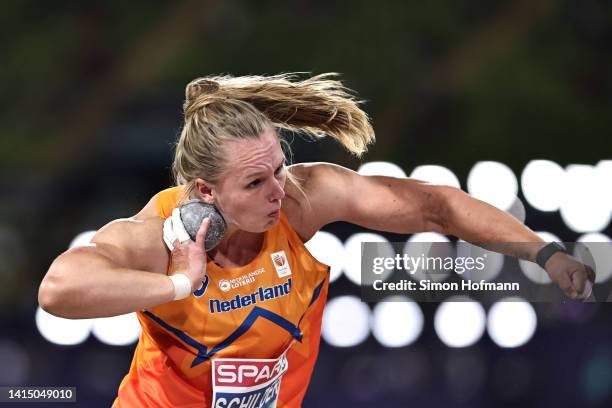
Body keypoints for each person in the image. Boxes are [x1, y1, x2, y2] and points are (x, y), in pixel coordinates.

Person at [38, 73, 594, 407]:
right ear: (205, 190)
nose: (278, 191)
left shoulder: (303, 202)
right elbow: (57, 291)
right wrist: (181, 281)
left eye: (280, 168)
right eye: (255, 182)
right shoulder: (156, 238)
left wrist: (542, 251)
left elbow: (435, 206)